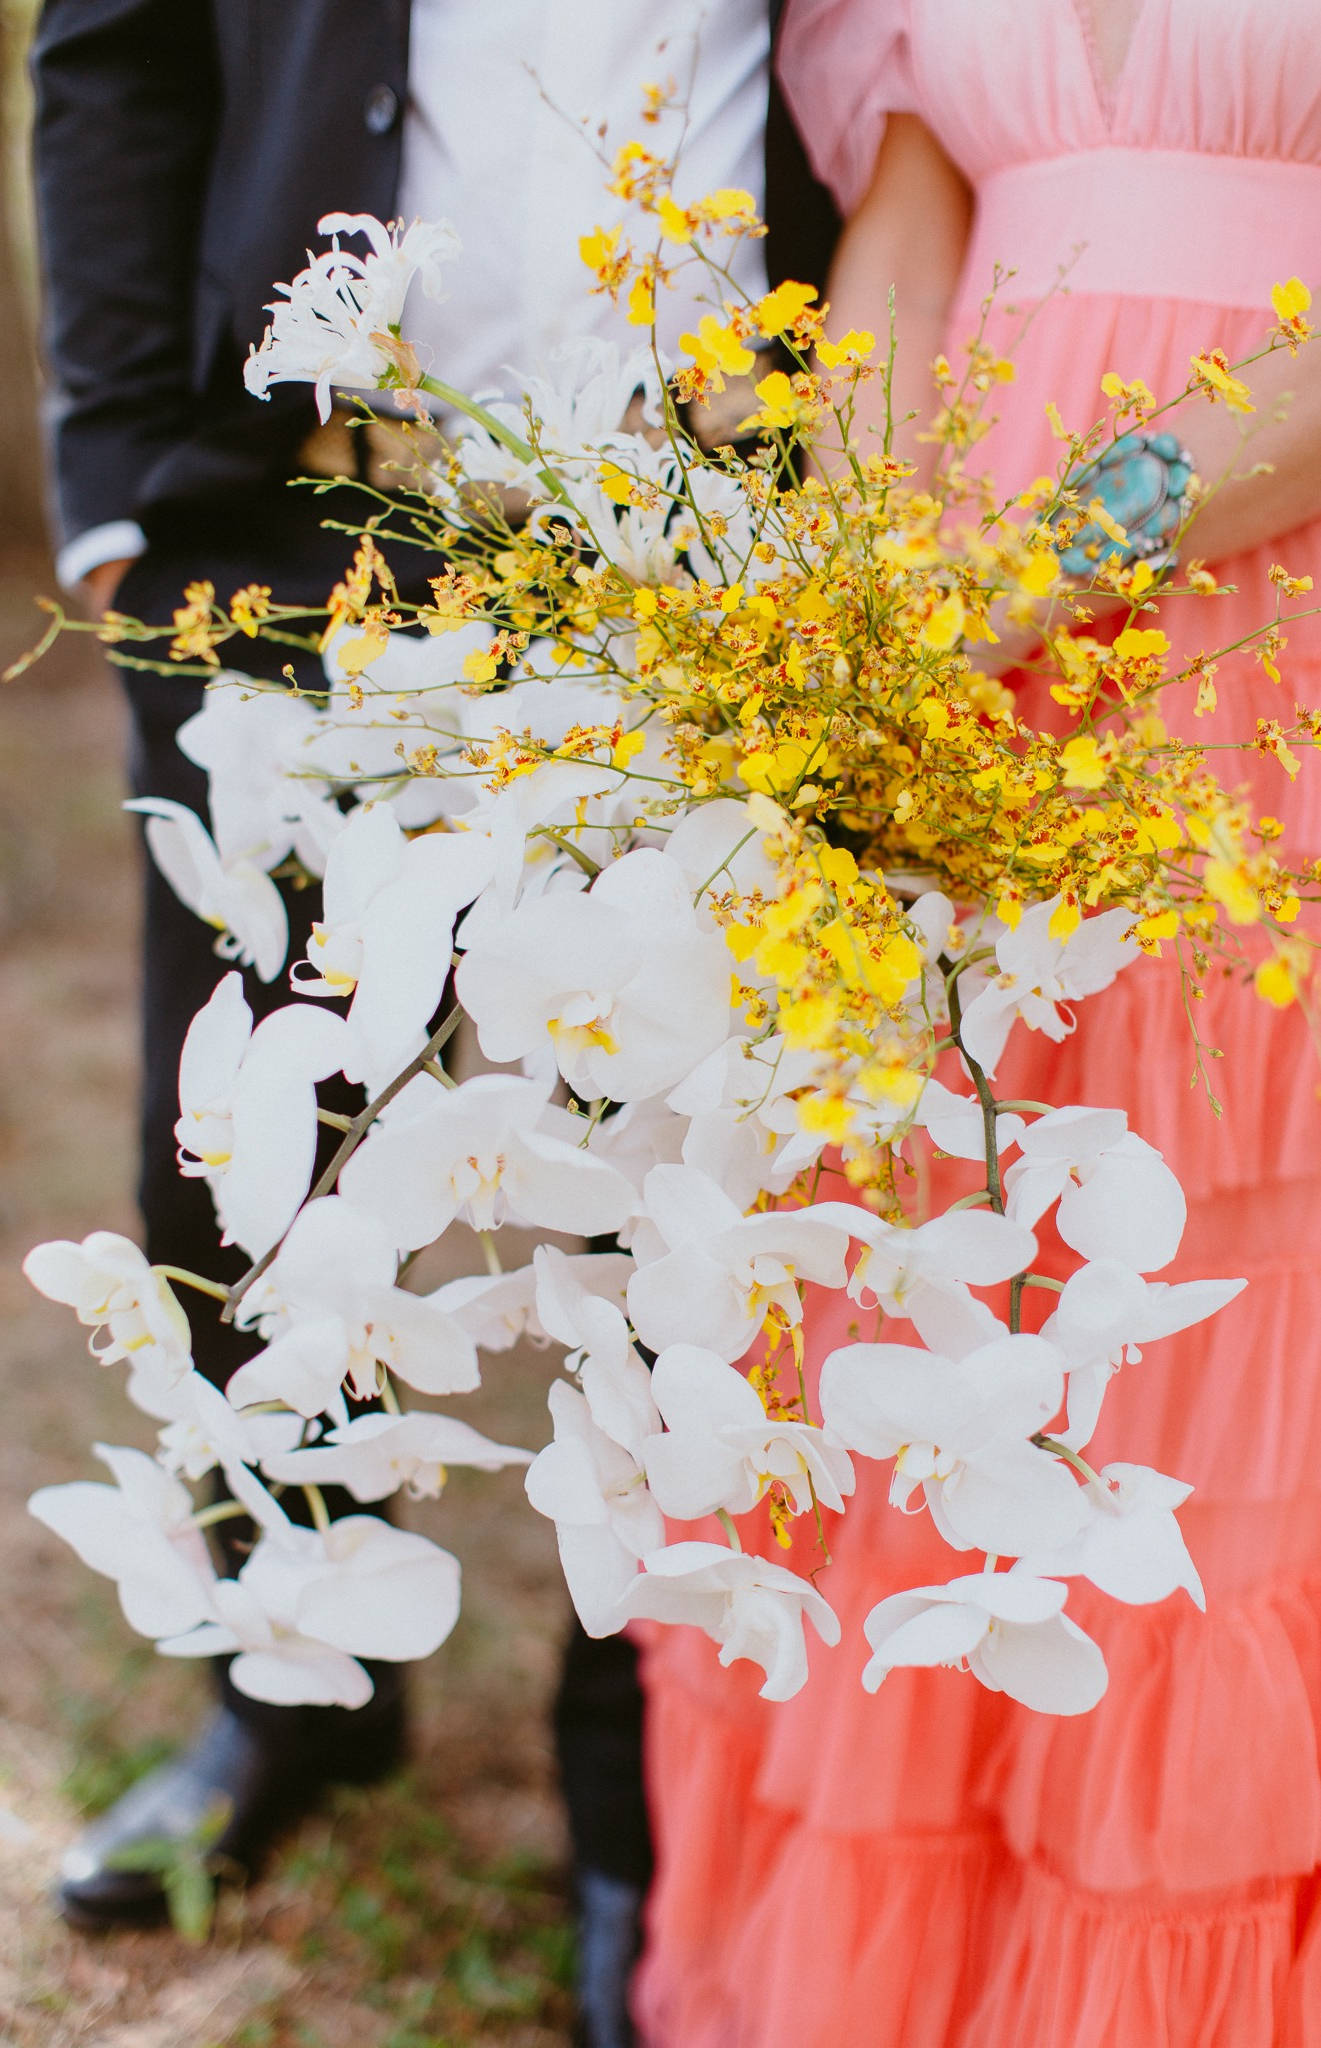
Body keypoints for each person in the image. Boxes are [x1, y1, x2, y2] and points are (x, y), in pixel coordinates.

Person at [29, 0, 837, 2025]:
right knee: (248, 1160)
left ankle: (636, 1797)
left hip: (706, 547)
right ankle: (286, 1684)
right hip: (303, 523)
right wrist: (122, 474)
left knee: (666, 1186)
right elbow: (115, 47)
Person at [633, 2, 1321, 2043]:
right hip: (959, 672)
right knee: (954, 1280)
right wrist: (847, 625)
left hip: (1252, 637)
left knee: (1208, 1284)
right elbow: (904, 246)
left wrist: (1024, 571)